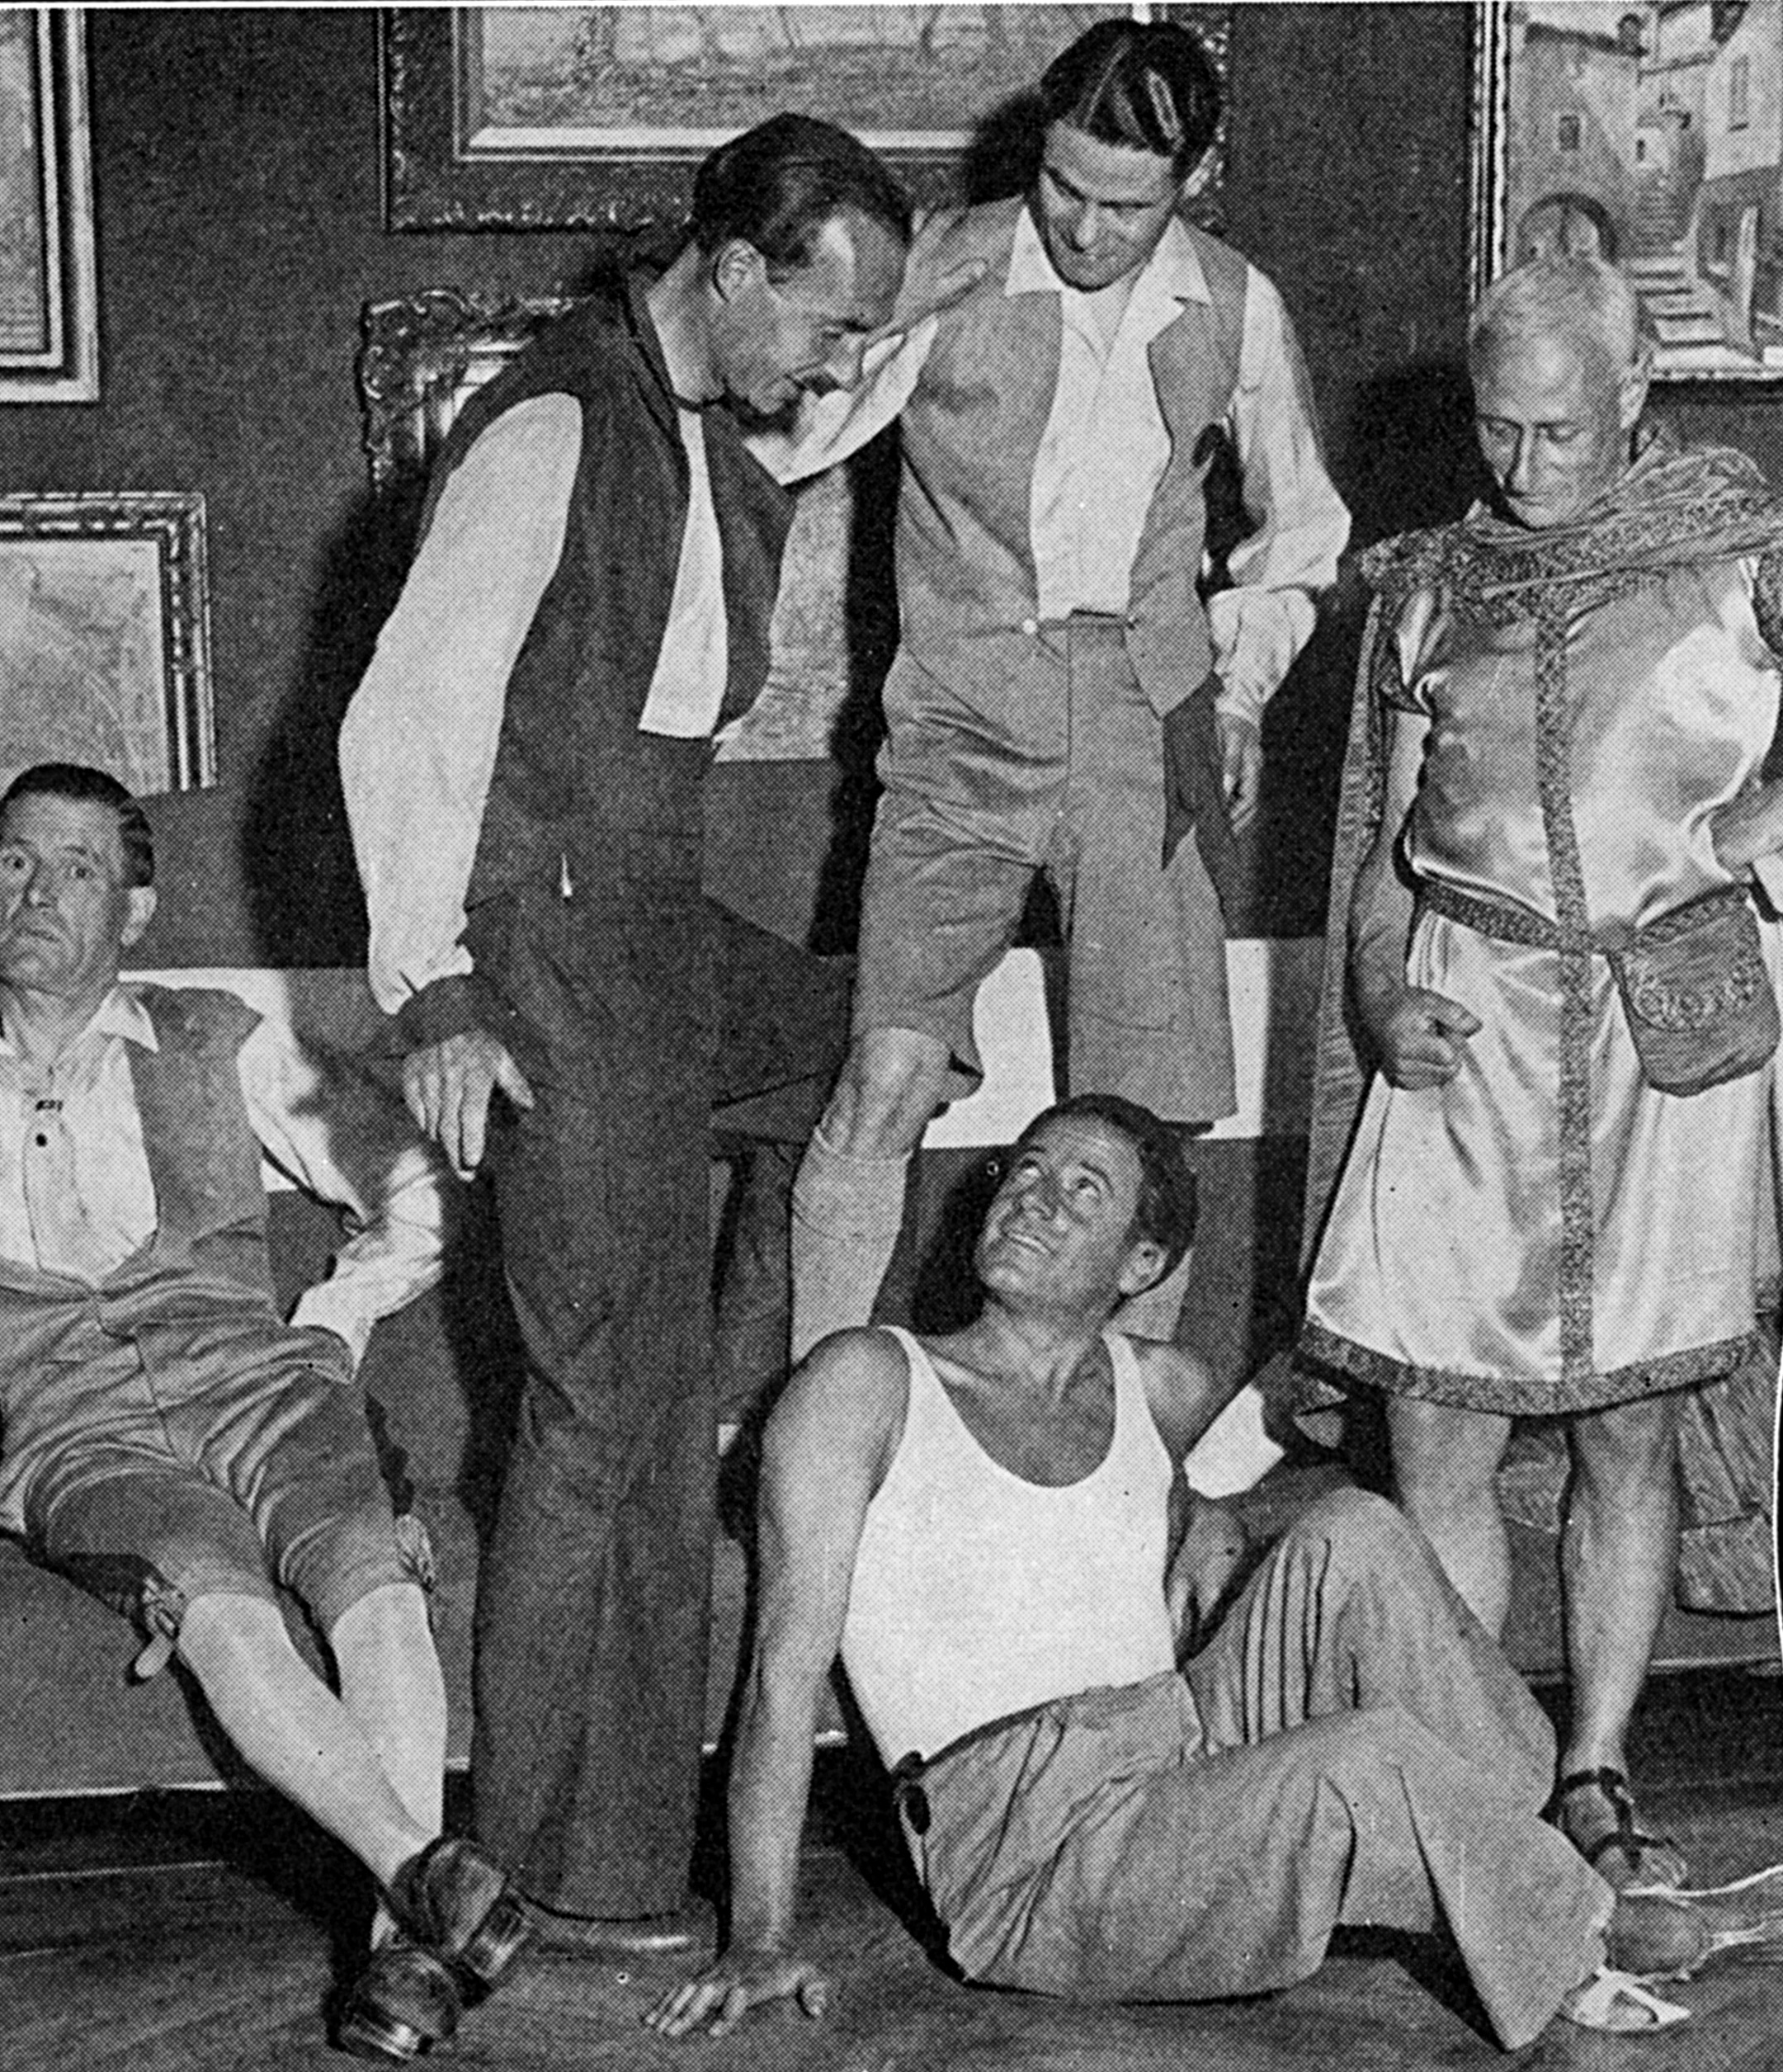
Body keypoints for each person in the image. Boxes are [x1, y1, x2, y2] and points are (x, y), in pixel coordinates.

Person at [646, 1096, 1779, 2048]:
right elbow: (780, 1679)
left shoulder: (1161, 1387)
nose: (1032, 1199)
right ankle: (1579, 1930)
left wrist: (1207, 1524)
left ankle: (1537, 1852)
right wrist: (760, 1938)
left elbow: (1207, 1482)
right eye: (1024, 1171)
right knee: (1362, 1759)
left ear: (1141, 1265)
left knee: (1357, 1533)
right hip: (1025, 1852)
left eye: (1081, 1189)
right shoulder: (866, 1382)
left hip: (1173, 1746)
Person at [337, 116, 914, 1956]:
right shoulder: (555, 428)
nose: (838, 365)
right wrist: (434, 993)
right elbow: (405, 719)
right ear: (732, 270)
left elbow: (861, 378)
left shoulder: (712, 418)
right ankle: (544, 1866)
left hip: (658, 917)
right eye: (827, 324)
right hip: (543, 940)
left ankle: (740, 1380)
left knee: (888, 1043)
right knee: (599, 1414)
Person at [0, 764, 540, 2062]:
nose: (35, 891)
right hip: (82, 1431)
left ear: (135, 911)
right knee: (212, 1602)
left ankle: (401, 1952)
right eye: (13, 862)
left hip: (263, 1382)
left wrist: (337, 1318)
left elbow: (416, 1182)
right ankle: (421, 1882)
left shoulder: (216, 1039)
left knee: (375, 1585)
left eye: (78, 868)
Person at [752, 18, 1349, 1360]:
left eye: (1124, 206)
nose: (1081, 227)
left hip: (1154, 722)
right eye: (1062, 185)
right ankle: (820, 1415)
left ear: (1192, 180)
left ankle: (1113, 1441)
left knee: (1148, 1126)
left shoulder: (1237, 307)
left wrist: (1239, 692)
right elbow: (787, 442)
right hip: (958, 723)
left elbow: (1301, 532)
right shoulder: (944, 264)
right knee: (884, 1076)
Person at [1300, 257, 1783, 1892]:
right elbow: (1387, 844)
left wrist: (1761, 835)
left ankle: (1595, 1765)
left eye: (1558, 429)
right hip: (1470, 1028)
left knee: (1628, 1430)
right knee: (1432, 1428)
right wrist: (1381, 993)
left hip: (1661, 1045)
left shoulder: (1741, 554)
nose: (1520, 464)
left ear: (1638, 394)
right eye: (1497, 427)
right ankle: (1479, 1772)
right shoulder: (1431, 589)